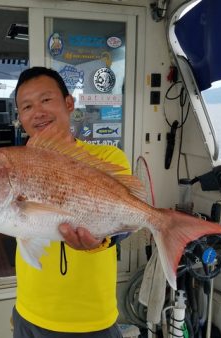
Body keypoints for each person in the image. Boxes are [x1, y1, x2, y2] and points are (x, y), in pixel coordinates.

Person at [13, 67, 131, 338]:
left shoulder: (108, 158)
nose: (37, 112)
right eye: (27, 106)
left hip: (92, 319)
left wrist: (102, 241)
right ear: (20, 117)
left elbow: (124, 222)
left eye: (45, 100)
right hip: (28, 312)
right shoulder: (17, 163)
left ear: (68, 103)